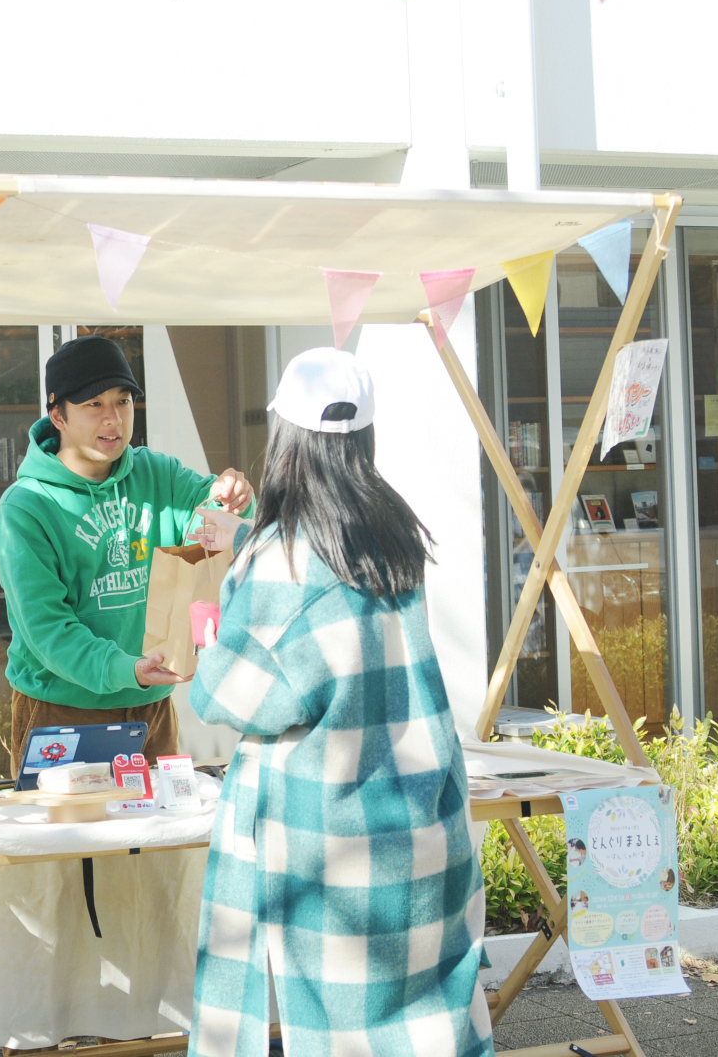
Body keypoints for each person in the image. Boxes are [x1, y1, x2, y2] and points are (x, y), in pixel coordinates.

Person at [187, 348, 491, 1057]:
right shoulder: (391, 535)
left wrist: (210, 634)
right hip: (418, 815)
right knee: (417, 1019)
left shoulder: (282, 555)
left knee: (332, 1027)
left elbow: (232, 695)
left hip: (327, 836)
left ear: (284, 441)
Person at [0, 334, 254, 763]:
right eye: (94, 404)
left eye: (123, 401)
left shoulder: (157, 474)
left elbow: (214, 518)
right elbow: (47, 631)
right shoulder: (27, 507)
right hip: (63, 709)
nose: (113, 419)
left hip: (152, 704)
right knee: (71, 833)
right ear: (57, 415)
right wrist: (125, 669)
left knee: (161, 831)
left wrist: (234, 496)